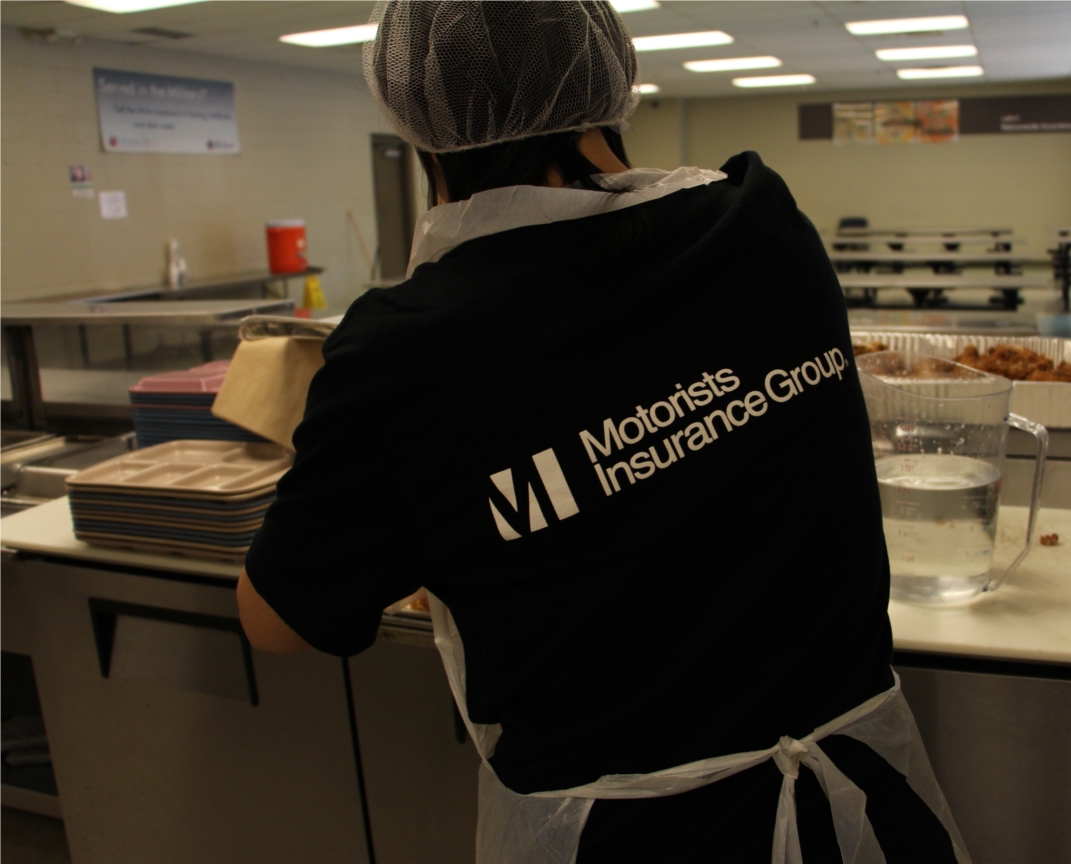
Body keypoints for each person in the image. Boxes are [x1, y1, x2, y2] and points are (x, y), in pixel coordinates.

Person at [237, 2, 967, 861]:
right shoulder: (766, 229)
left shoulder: (409, 350)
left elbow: (280, 620)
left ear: (412, 113)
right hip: (861, 811)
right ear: (609, 72)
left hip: (629, 835)